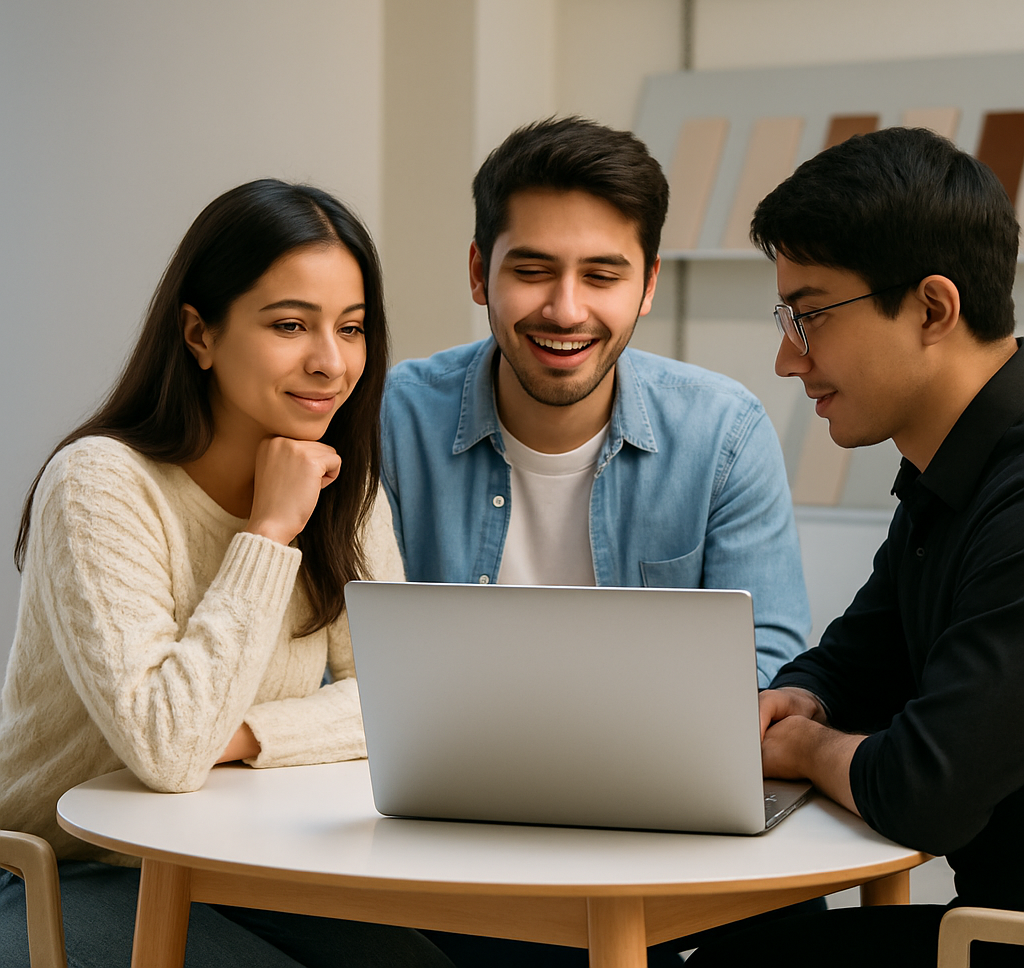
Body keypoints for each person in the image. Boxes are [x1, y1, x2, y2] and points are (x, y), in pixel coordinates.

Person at [380, 117, 811, 967]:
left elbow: (767, 670)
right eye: (532, 270)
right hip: (444, 842)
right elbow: (337, 659)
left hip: (662, 835)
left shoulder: (723, 432)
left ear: (647, 284)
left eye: (602, 275)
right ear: (479, 272)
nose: (565, 309)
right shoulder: (393, 420)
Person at [0, 180, 453, 968]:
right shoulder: (101, 484)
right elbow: (170, 749)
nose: (330, 362)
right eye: (290, 325)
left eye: (351, 328)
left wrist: (242, 737)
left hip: (236, 859)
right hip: (61, 867)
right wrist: (269, 531)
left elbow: (405, 702)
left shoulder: (346, 488)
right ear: (199, 334)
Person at [686, 127, 1024, 968]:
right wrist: (802, 699)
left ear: (932, 310)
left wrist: (803, 745)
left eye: (809, 316)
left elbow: (924, 790)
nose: (786, 358)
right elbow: (854, 661)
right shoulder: (953, 471)